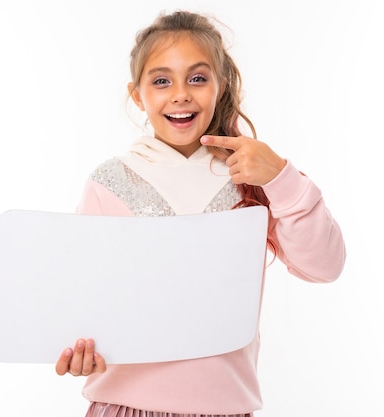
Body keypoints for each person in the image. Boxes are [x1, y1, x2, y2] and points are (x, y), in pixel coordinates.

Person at [54, 10, 346, 417]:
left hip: (227, 408)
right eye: (160, 81)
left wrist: (282, 178)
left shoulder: (253, 175)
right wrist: (77, 347)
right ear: (137, 95)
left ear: (219, 85)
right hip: (124, 406)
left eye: (197, 78)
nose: (180, 94)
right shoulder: (110, 182)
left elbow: (325, 265)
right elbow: (79, 298)